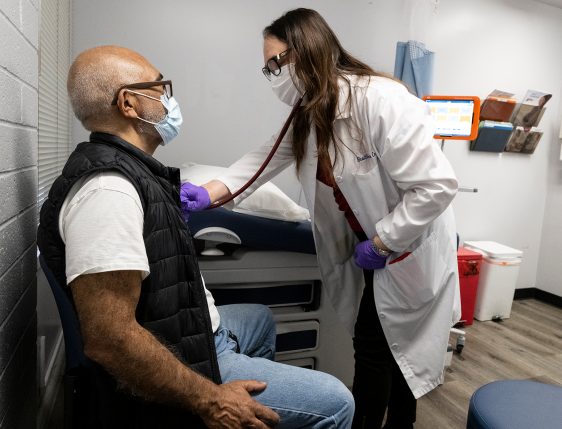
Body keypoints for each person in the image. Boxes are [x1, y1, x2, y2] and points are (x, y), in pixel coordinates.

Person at [37, 45, 354, 429]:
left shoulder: (136, 173)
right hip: (186, 357)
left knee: (259, 319)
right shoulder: (109, 193)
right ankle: (230, 409)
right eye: (159, 87)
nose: (169, 98)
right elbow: (109, 338)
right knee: (338, 402)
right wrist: (211, 400)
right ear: (129, 104)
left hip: (189, 329)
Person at [182, 9, 461, 429]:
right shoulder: (308, 114)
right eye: (267, 67)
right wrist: (209, 193)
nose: (273, 74)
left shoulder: (380, 100)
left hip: (409, 246)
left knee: (380, 351)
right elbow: (258, 164)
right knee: (391, 350)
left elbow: (436, 186)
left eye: (276, 63)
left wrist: (385, 241)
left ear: (308, 50)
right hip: (369, 249)